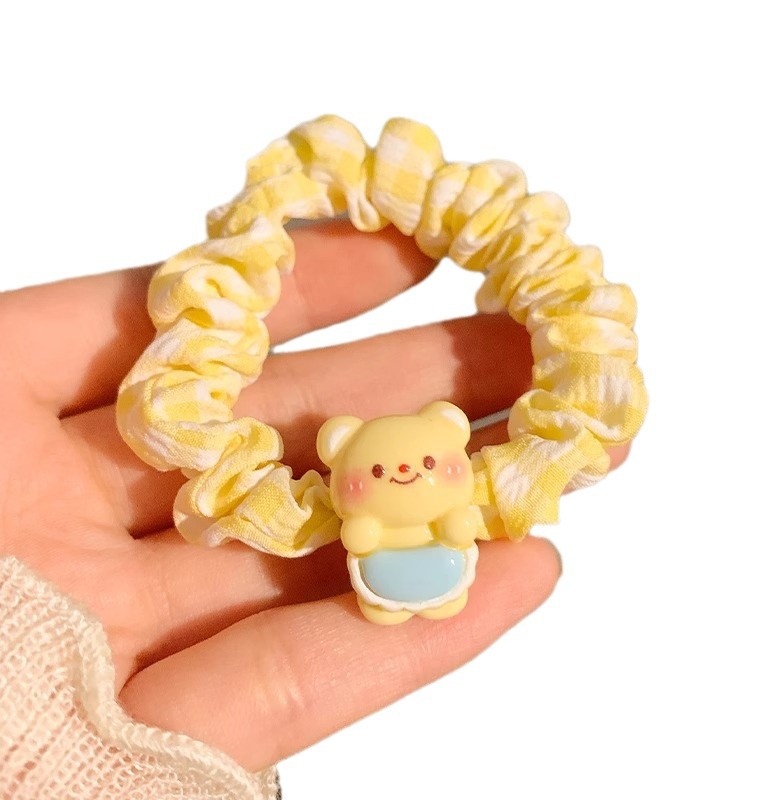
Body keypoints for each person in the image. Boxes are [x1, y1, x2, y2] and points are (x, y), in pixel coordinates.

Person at [0, 219, 628, 798]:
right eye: (379, 471)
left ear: (451, 438)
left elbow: (454, 516)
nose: (405, 474)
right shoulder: (318, 503)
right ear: (342, 456)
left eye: (426, 466)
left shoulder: (452, 493)